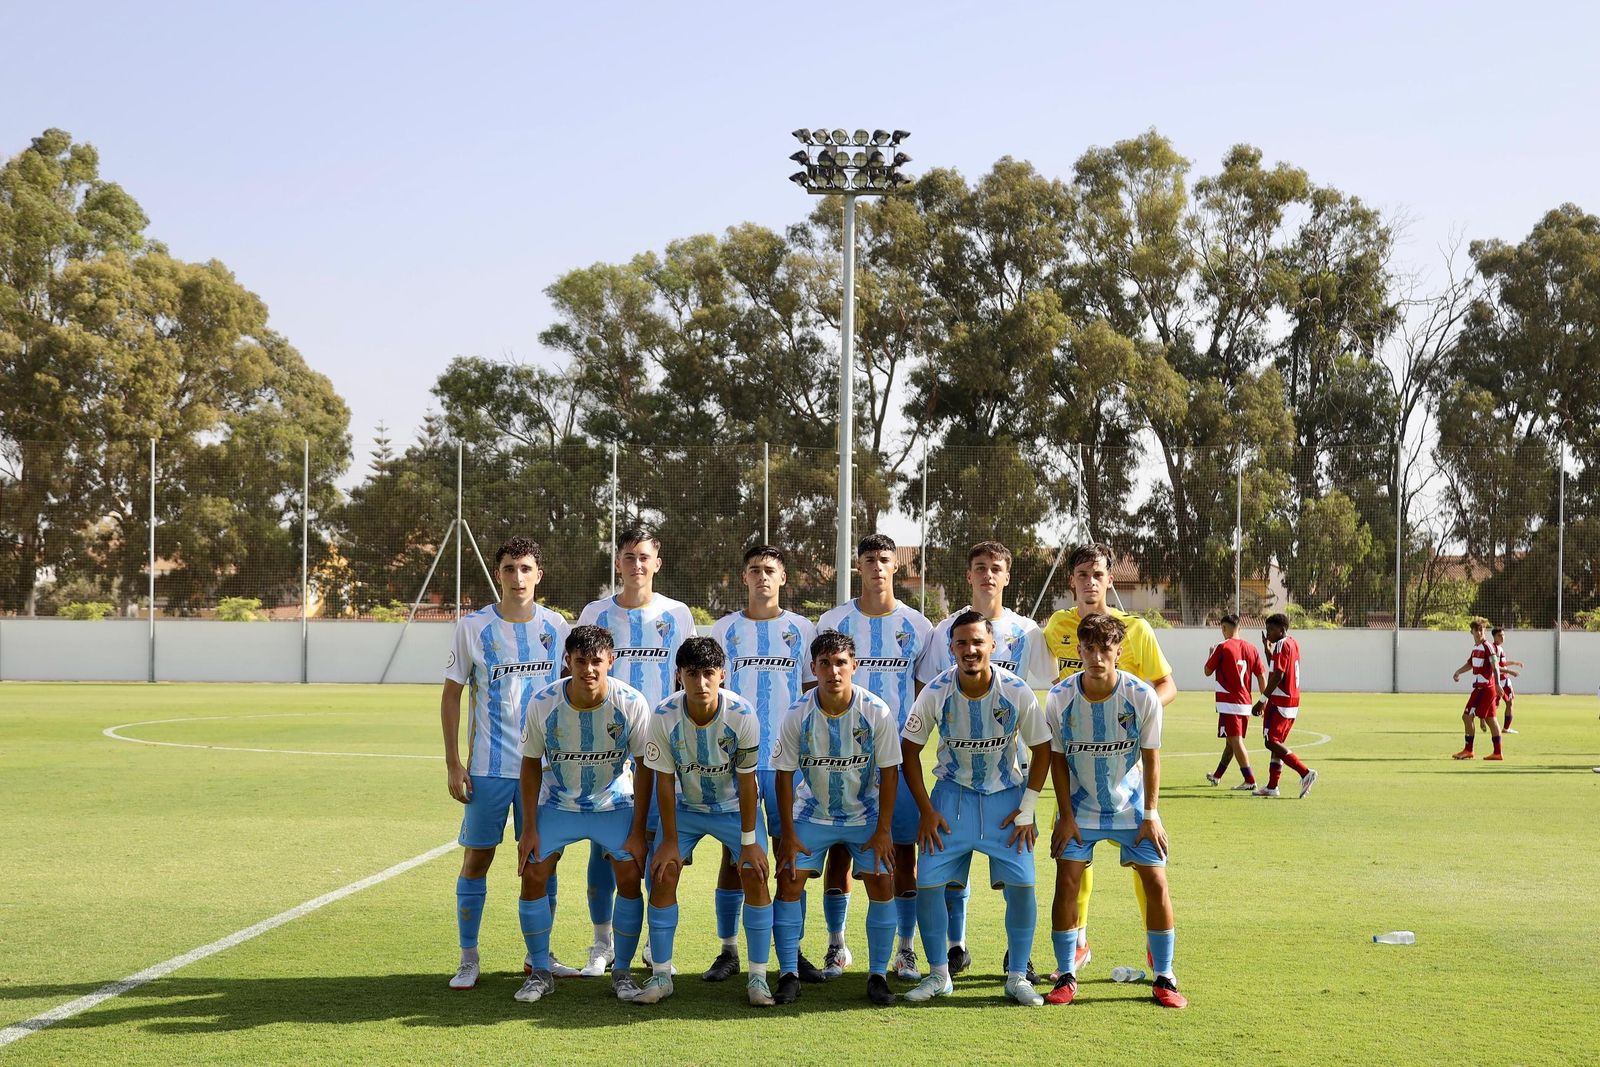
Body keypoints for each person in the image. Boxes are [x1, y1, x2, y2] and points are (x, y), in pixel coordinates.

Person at [917, 540, 1055, 976]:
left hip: (1009, 775)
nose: (988, 575)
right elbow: (930, 690)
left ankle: (1020, 958)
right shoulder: (944, 630)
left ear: (1007, 576)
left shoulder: (1028, 632)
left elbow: (1048, 689)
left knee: (1018, 876)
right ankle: (955, 946)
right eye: (980, 567)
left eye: (996, 567)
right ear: (969, 575)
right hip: (956, 775)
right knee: (948, 869)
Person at [1040, 543, 1177, 978]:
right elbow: (1049, 683)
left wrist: (1129, 719)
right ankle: (1077, 945)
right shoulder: (1056, 627)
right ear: (1071, 581)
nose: (1090, 582)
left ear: (1109, 580)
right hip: (1076, 764)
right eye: (1082, 574)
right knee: (1072, 861)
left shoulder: (1135, 629)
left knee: (1146, 866)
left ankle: (1158, 954)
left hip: (1122, 766)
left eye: (1098, 574)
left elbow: (1167, 685)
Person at [441, 536, 572, 990]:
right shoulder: (473, 627)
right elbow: (452, 695)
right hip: (488, 767)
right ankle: (468, 958)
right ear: (498, 574)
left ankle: (540, 956)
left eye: (525, 568)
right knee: (478, 858)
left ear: (539, 575)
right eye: (510, 568)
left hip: (546, 769)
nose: (518, 577)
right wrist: (453, 762)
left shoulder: (556, 627)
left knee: (543, 862)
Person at [576, 527, 698, 973]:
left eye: (644, 557)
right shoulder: (595, 613)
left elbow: (686, 677)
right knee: (603, 847)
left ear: (657, 563)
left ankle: (651, 943)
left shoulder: (677, 614)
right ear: (618, 563)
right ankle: (602, 943)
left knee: (655, 844)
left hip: (661, 746)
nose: (637, 565)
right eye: (629, 557)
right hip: (606, 747)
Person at [512, 625, 654, 1004]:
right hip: (559, 803)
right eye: (580, 661)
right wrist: (529, 829)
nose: (588, 669)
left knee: (629, 875)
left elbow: (645, 767)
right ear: (568, 662)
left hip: (613, 803)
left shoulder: (631, 702)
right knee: (533, 872)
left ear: (611, 661)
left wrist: (638, 830)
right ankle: (540, 971)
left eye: (596, 661)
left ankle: (622, 972)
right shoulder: (544, 702)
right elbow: (530, 765)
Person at [818, 533, 933, 982]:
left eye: (885, 559)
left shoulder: (918, 625)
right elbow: (818, 686)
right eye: (869, 559)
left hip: (896, 762)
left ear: (894, 566)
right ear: (859, 566)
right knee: (840, 852)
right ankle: (836, 945)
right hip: (841, 760)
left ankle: (905, 950)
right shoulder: (834, 620)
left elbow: (924, 694)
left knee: (902, 852)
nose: (878, 567)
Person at [771, 629, 903, 1007]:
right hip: (813, 812)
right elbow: (783, 775)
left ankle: (877, 976)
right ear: (813, 668)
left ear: (854, 666)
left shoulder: (875, 710)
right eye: (825, 664)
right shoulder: (798, 713)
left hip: (865, 814)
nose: (833, 671)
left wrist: (884, 830)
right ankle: (789, 974)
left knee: (882, 880)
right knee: (789, 878)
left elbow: (890, 773)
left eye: (841, 663)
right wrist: (788, 835)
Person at [707, 546, 820, 981]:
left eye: (770, 570)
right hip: (737, 764)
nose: (762, 577)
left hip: (790, 763)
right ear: (744, 577)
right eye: (754, 570)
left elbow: (811, 695)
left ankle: (793, 952)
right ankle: (728, 951)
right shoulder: (725, 630)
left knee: (790, 857)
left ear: (783, 578)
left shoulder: (802, 629)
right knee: (734, 856)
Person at [642, 638, 773, 1006]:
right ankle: (661, 976)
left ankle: (758, 979)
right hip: (687, 808)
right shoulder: (664, 715)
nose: (700, 683)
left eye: (708, 674)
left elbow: (747, 782)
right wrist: (670, 841)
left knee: (755, 872)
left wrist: (748, 842)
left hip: (734, 808)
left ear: (722, 676)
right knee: (663, 871)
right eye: (692, 674)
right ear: (679, 676)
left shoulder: (742, 715)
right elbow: (664, 782)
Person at [1250, 613, 1318, 798]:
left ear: (1282, 630)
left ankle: (1305, 772)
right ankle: (1272, 786)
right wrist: (1267, 651)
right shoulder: (1292, 643)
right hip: (1292, 699)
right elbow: (1279, 668)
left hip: (1280, 700)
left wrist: (1262, 700)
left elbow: (1278, 675)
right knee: (1277, 744)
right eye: (1267, 629)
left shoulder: (1281, 644)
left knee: (1270, 741)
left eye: (1271, 629)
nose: (1268, 633)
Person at [1203, 612, 1266, 791]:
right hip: (1245, 703)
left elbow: (1207, 671)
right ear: (1240, 627)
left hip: (1229, 703)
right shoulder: (1252, 648)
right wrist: (1263, 700)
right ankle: (1217, 776)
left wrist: (1210, 654)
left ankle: (1250, 780)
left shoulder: (1222, 647)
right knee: (1230, 742)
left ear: (1224, 628)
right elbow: (1261, 676)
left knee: (1235, 741)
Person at [1452, 617, 1505, 760]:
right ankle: (1497, 753)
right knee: (1490, 718)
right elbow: (1470, 664)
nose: (1480, 632)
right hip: (1481, 688)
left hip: (1485, 688)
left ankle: (1468, 750)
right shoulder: (1476, 648)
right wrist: (1458, 672)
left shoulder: (1488, 646)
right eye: (1477, 630)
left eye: (1482, 630)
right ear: (1472, 632)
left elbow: (1495, 666)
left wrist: (1498, 683)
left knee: (1467, 716)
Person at [1491, 627, 1524, 733]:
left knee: (1506, 703)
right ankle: (1503, 727)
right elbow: (1495, 666)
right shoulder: (1494, 649)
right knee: (1499, 704)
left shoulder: (1499, 648)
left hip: (1502, 680)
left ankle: (1504, 727)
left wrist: (1514, 663)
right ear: (1494, 637)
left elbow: (1502, 663)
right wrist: (1510, 671)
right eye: (1499, 635)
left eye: (1503, 635)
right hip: (1500, 680)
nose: (1502, 637)